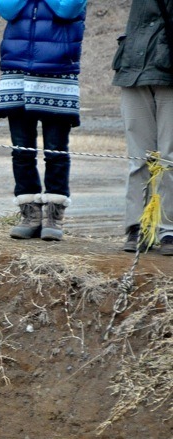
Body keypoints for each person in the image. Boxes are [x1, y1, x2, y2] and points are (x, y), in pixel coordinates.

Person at [0, 0, 86, 242]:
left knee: (56, 150)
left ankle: (53, 216)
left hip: (58, 69)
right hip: (17, 69)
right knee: (21, 150)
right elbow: (6, 9)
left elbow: (67, 10)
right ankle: (29, 215)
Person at [113, 0, 173, 256]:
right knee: (139, 158)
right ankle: (138, 226)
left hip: (168, 72)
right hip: (133, 69)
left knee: (169, 158)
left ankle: (167, 228)